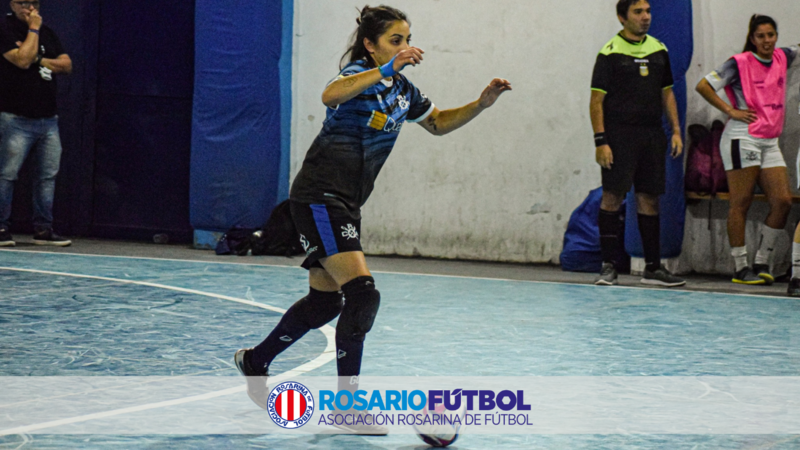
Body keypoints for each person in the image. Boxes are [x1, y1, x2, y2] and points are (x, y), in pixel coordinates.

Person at [234, 5, 511, 434]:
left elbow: (437, 123)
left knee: (326, 302)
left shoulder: (402, 90)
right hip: (319, 197)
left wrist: (482, 103)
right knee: (362, 294)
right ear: (371, 44)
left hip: (346, 203)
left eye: (406, 39)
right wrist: (383, 68)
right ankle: (348, 405)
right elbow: (330, 96)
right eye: (394, 40)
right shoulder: (360, 77)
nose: (405, 48)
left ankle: (255, 361)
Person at [696, 15, 798, 285]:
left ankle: (762, 260)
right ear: (752, 39)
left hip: (769, 140)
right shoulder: (738, 63)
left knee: (783, 202)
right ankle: (740, 267)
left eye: (771, 35)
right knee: (740, 202)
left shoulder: (783, 57)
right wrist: (730, 110)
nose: (767, 41)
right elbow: (703, 86)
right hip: (743, 137)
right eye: (761, 36)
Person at [590, 0, 685, 287]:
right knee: (612, 197)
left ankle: (653, 268)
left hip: (651, 134)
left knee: (649, 198)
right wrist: (601, 142)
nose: (645, 17)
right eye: (638, 12)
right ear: (622, 18)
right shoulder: (609, 53)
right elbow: (596, 101)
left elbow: (666, 93)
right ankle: (608, 267)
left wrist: (677, 131)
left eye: (648, 11)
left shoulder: (658, 50)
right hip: (619, 135)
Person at [0, 0, 71, 247]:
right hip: (15, 117)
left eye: (32, 3)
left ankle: (43, 228)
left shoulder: (48, 32)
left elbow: (66, 64)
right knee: (7, 175)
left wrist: (38, 58)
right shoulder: (5, 30)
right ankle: (1, 228)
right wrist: (32, 31)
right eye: (22, 3)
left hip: (48, 119)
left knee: (47, 176)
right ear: (12, 4)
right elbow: (21, 60)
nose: (28, 8)